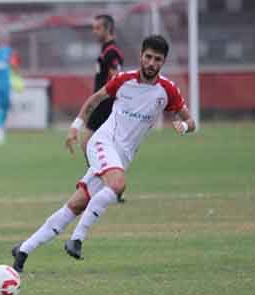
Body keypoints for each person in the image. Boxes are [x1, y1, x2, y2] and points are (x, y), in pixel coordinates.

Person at [12, 35, 196, 273]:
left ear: (163, 62)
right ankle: (77, 239)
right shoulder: (123, 80)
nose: (151, 63)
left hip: (122, 157)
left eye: (157, 59)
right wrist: (76, 127)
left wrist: (183, 127)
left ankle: (24, 250)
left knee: (76, 205)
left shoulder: (167, 90)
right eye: (148, 57)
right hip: (102, 142)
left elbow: (190, 121)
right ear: (141, 55)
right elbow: (94, 100)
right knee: (118, 184)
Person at [85, 14, 125, 202]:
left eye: (97, 28)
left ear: (107, 28)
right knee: (94, 144)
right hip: (102, 104)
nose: (94, 32)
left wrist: (105, 97)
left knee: (88, 143)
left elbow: (116, 78)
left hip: (105, 104)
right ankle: (107, 185)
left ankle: (105, 185)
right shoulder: (105, 50)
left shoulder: (111, 52)